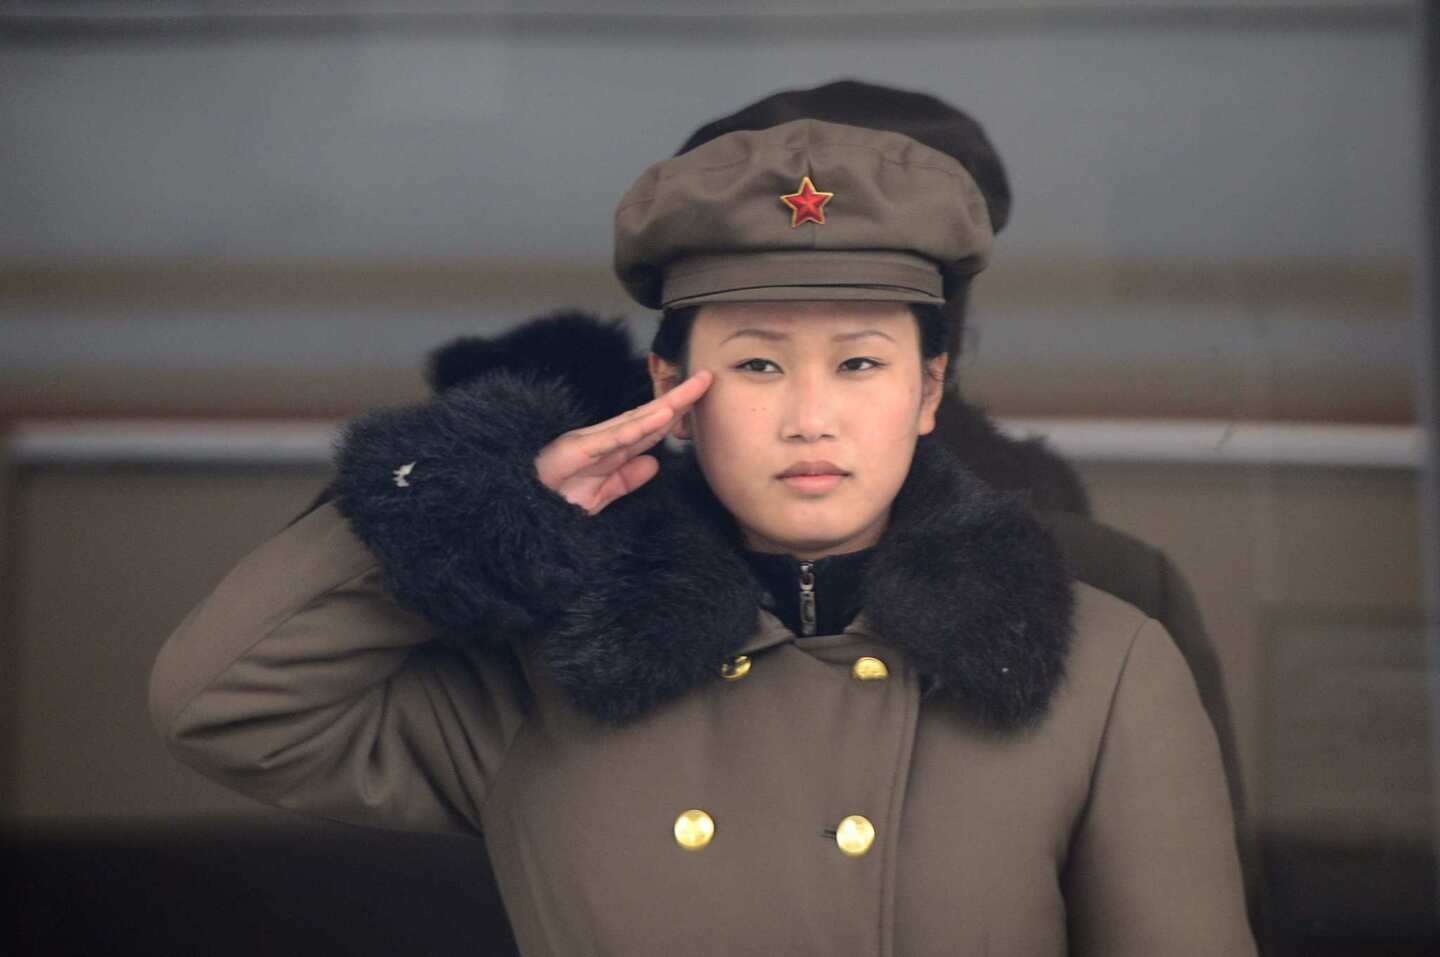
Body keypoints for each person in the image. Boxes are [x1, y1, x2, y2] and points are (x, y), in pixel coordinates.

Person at [150, 117, 1256, 954]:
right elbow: (224, 701)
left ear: (931, 391)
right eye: (760, 363)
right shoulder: (550, 669)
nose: (810, 416)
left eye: (861, 363)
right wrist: (477, 518)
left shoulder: (1100, 670)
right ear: (671, 387)